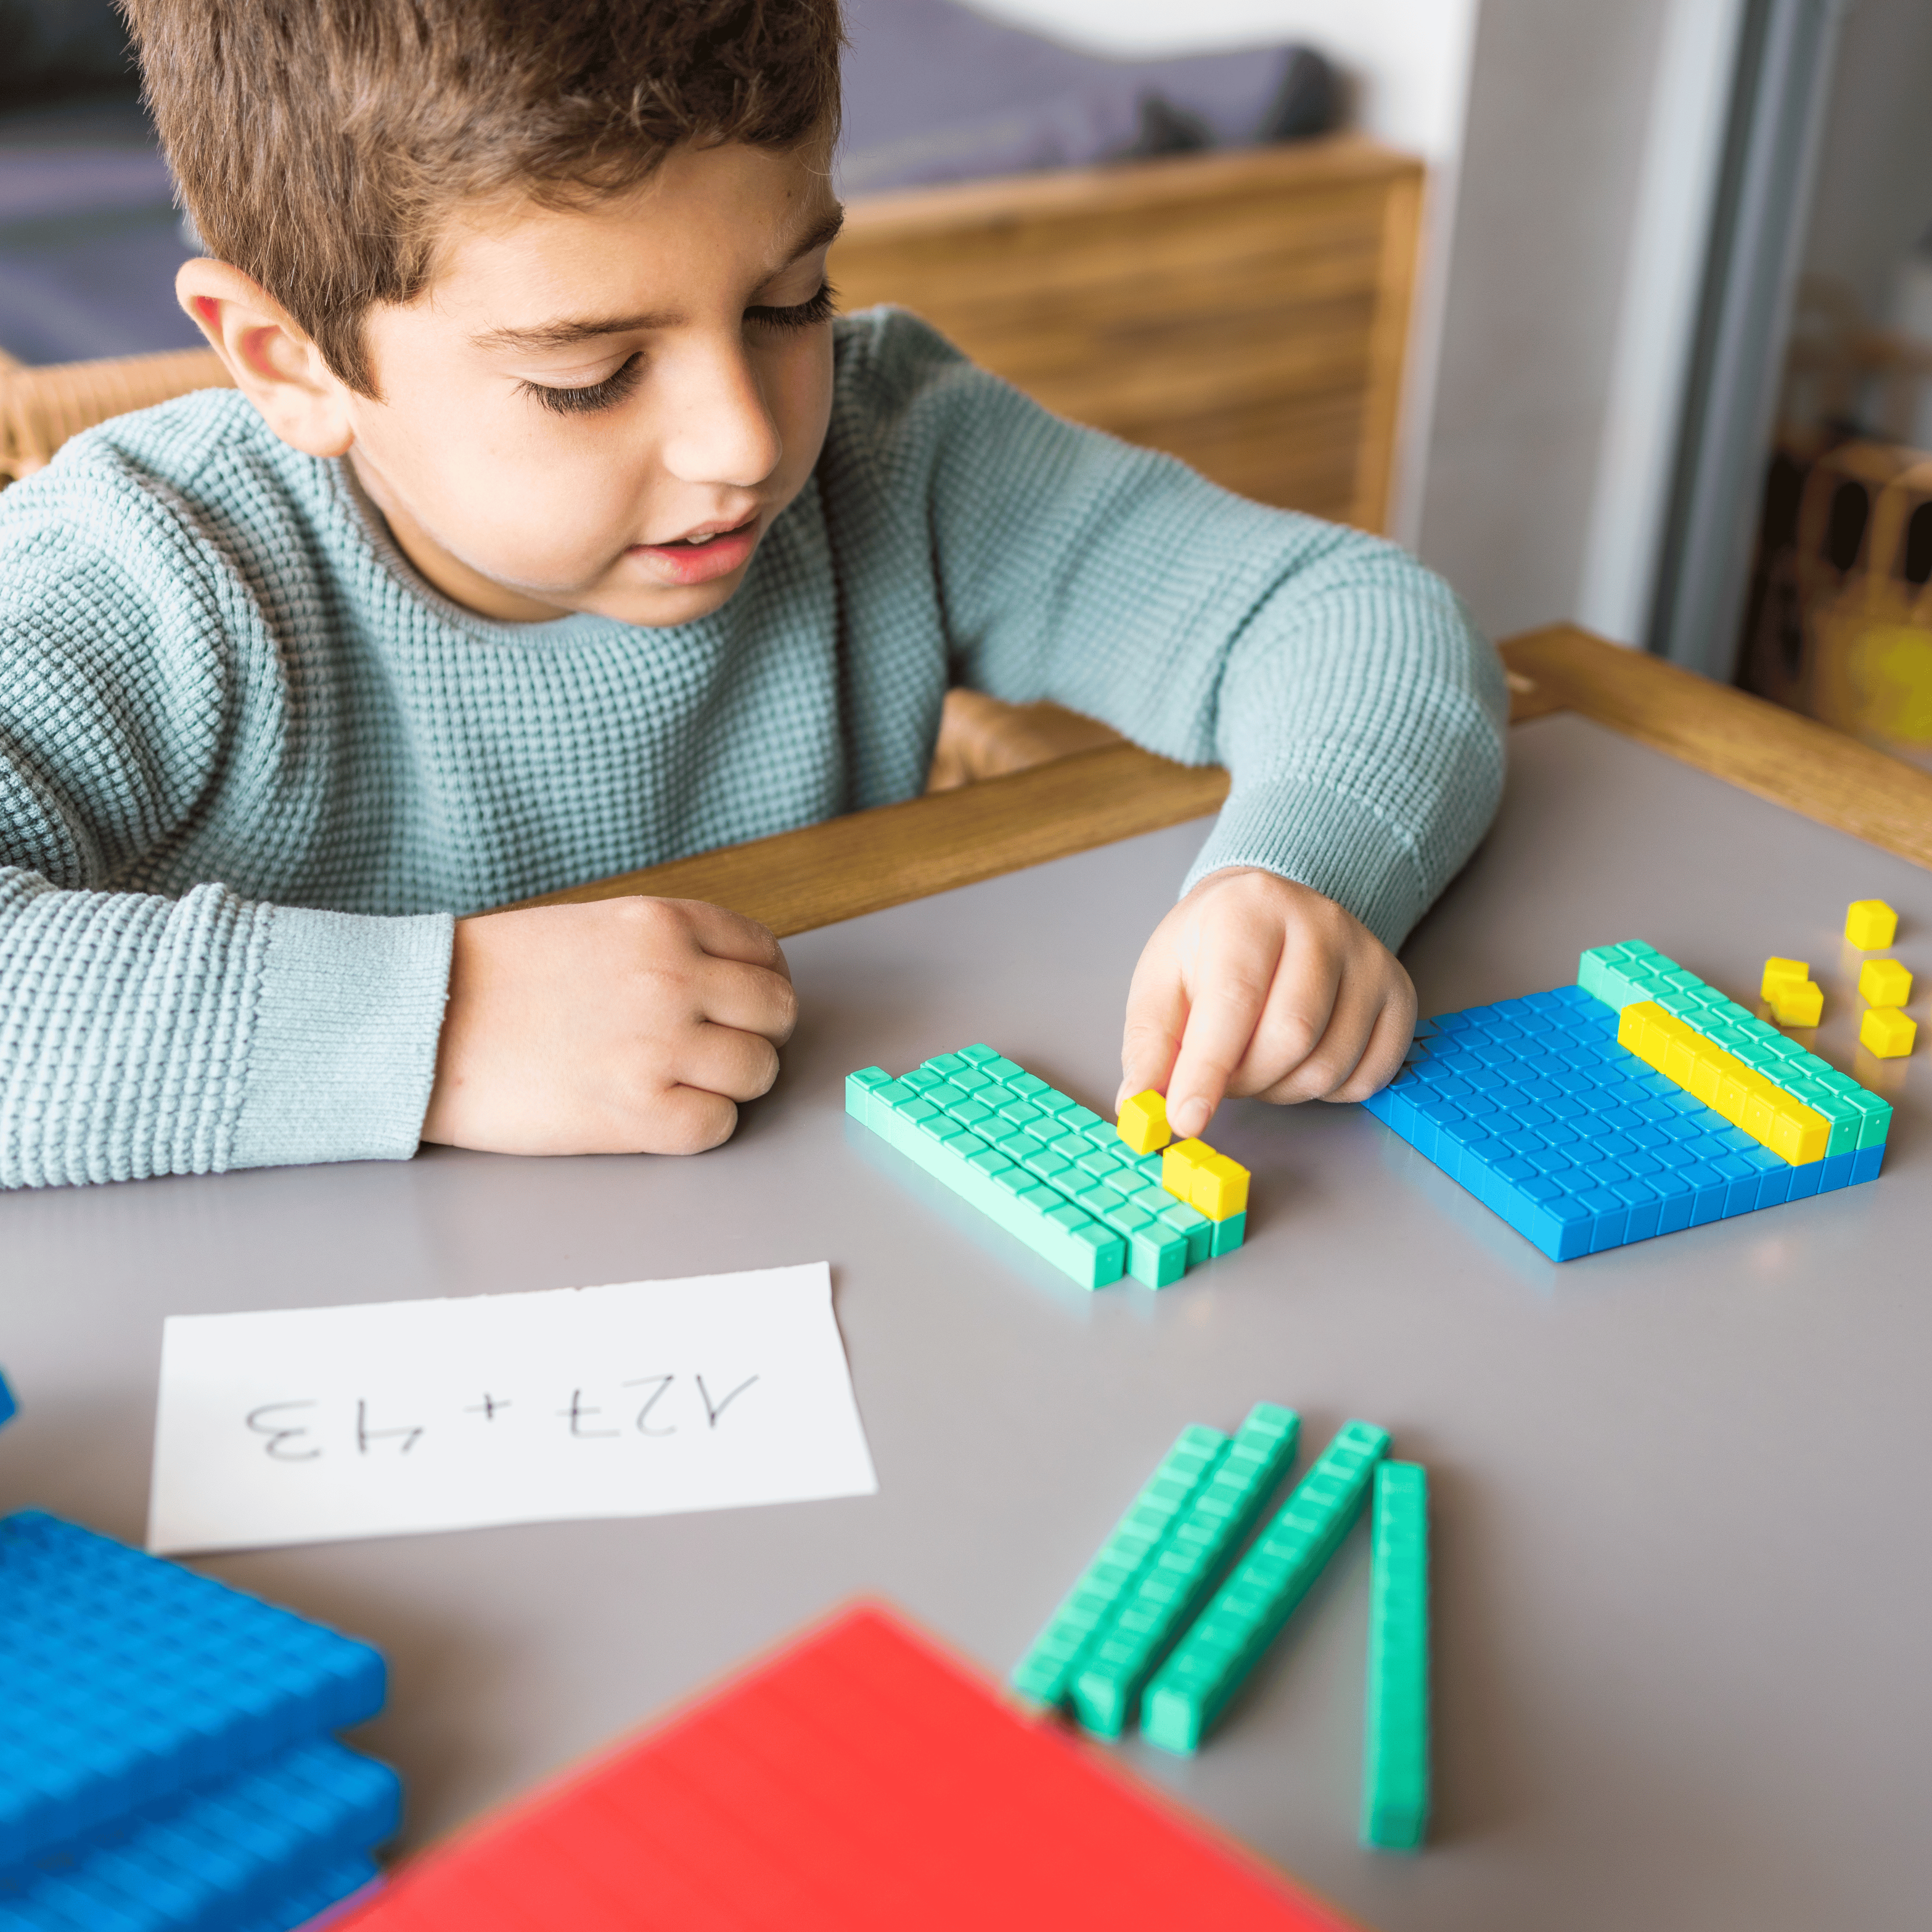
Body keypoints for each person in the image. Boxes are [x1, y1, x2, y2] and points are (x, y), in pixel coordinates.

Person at [0, 0, 1505, 1191]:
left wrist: (1295, 877)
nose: (746, 440)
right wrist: (439, 1029)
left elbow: (1345, 616)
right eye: (588, 377)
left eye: (787, 303)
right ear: (286, 361)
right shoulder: (152, 575)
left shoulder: (887, 444)